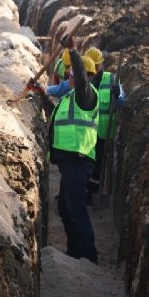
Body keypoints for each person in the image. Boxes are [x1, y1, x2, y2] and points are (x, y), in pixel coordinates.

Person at [48, 49, 100, 263]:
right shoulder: (71, 98)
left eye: (72, 75)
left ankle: (87, 255)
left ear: (83, 77)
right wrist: (41, 96)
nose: (68, 77)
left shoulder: (85, 96)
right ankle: (73, 250)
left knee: (76, 209)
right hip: (69, 163)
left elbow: (79, 75)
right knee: (65, 208)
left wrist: (73, 49)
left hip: (78, 160)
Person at [84, 47, 124, 197]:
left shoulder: (111, 79)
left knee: (99, 161)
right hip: (87, 128)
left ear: (101, 64)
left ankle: (94, 191)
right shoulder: (84, 78)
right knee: (87, 160)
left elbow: (122, 101)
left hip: (105, 129)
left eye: (96, 65)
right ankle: (86, 190)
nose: (94, 68)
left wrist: (117, 95)